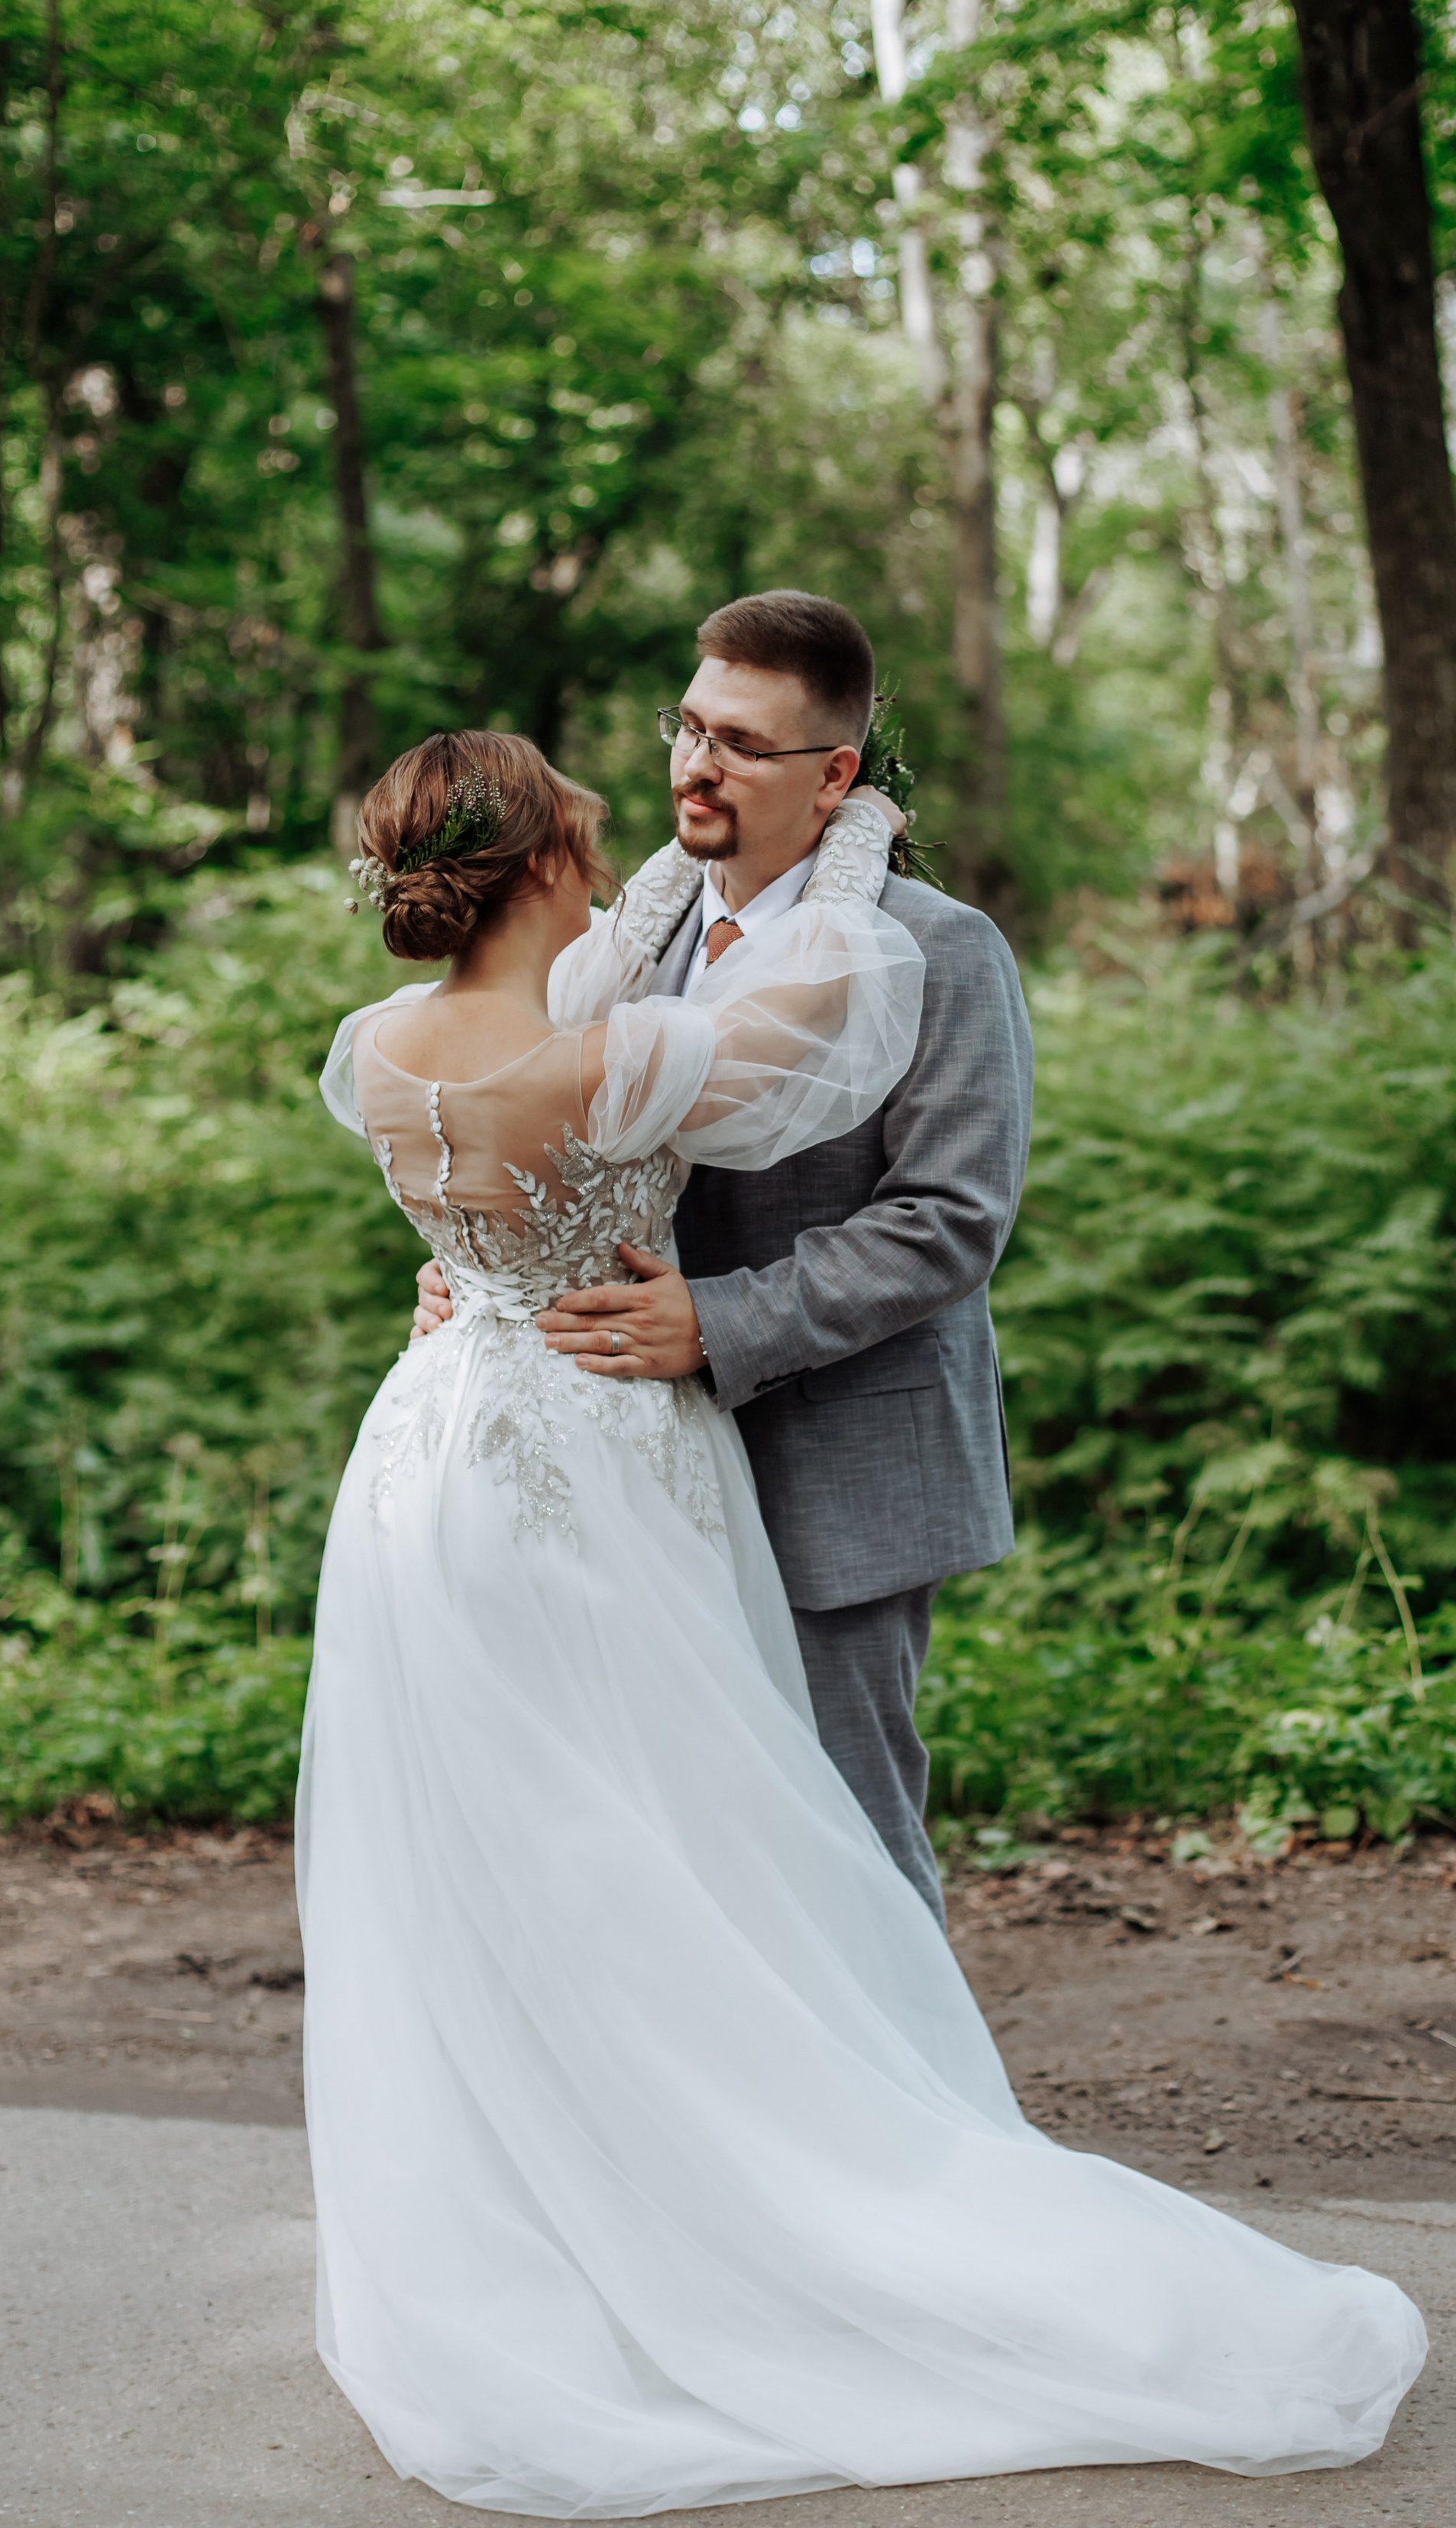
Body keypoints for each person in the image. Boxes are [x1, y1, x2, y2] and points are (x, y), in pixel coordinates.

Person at [302, 717, 1427, 2522]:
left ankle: (547, 2229)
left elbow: (485, 1205)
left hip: (430, 1468)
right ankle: (776, 2211)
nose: (618, 844)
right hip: (598, 1461)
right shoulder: (611, 1058)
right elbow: (824, 1024)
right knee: (697, 1844)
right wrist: (845, 835)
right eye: (587, 831)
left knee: (505, 1857)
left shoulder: (376, 1058)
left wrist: (481, 1258)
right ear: (534, 869)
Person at [413, 590, 1032, 1920]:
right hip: (624, 1464)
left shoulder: (942, 951)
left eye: (743, 745)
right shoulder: (609, 944)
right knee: (655, 1844)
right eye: (688, 728)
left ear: (834, 777)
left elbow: (953, 1218)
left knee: (846, 1844)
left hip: (833, 1460)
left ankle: (901, 2125)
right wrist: (481, 1271)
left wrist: (719, 1323)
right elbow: (538, 1142)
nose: (697, 765)